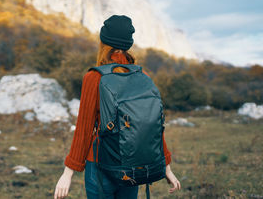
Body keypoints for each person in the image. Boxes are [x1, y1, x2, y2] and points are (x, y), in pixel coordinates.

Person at [54, 15, 181, 199]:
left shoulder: (94, 77)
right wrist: (166, 166)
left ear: (103, 42)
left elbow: (84, 128)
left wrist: (68, 174)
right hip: (132, 166)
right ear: (128, 44)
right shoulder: (142, 76)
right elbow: (151, 126)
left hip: (99, 166)